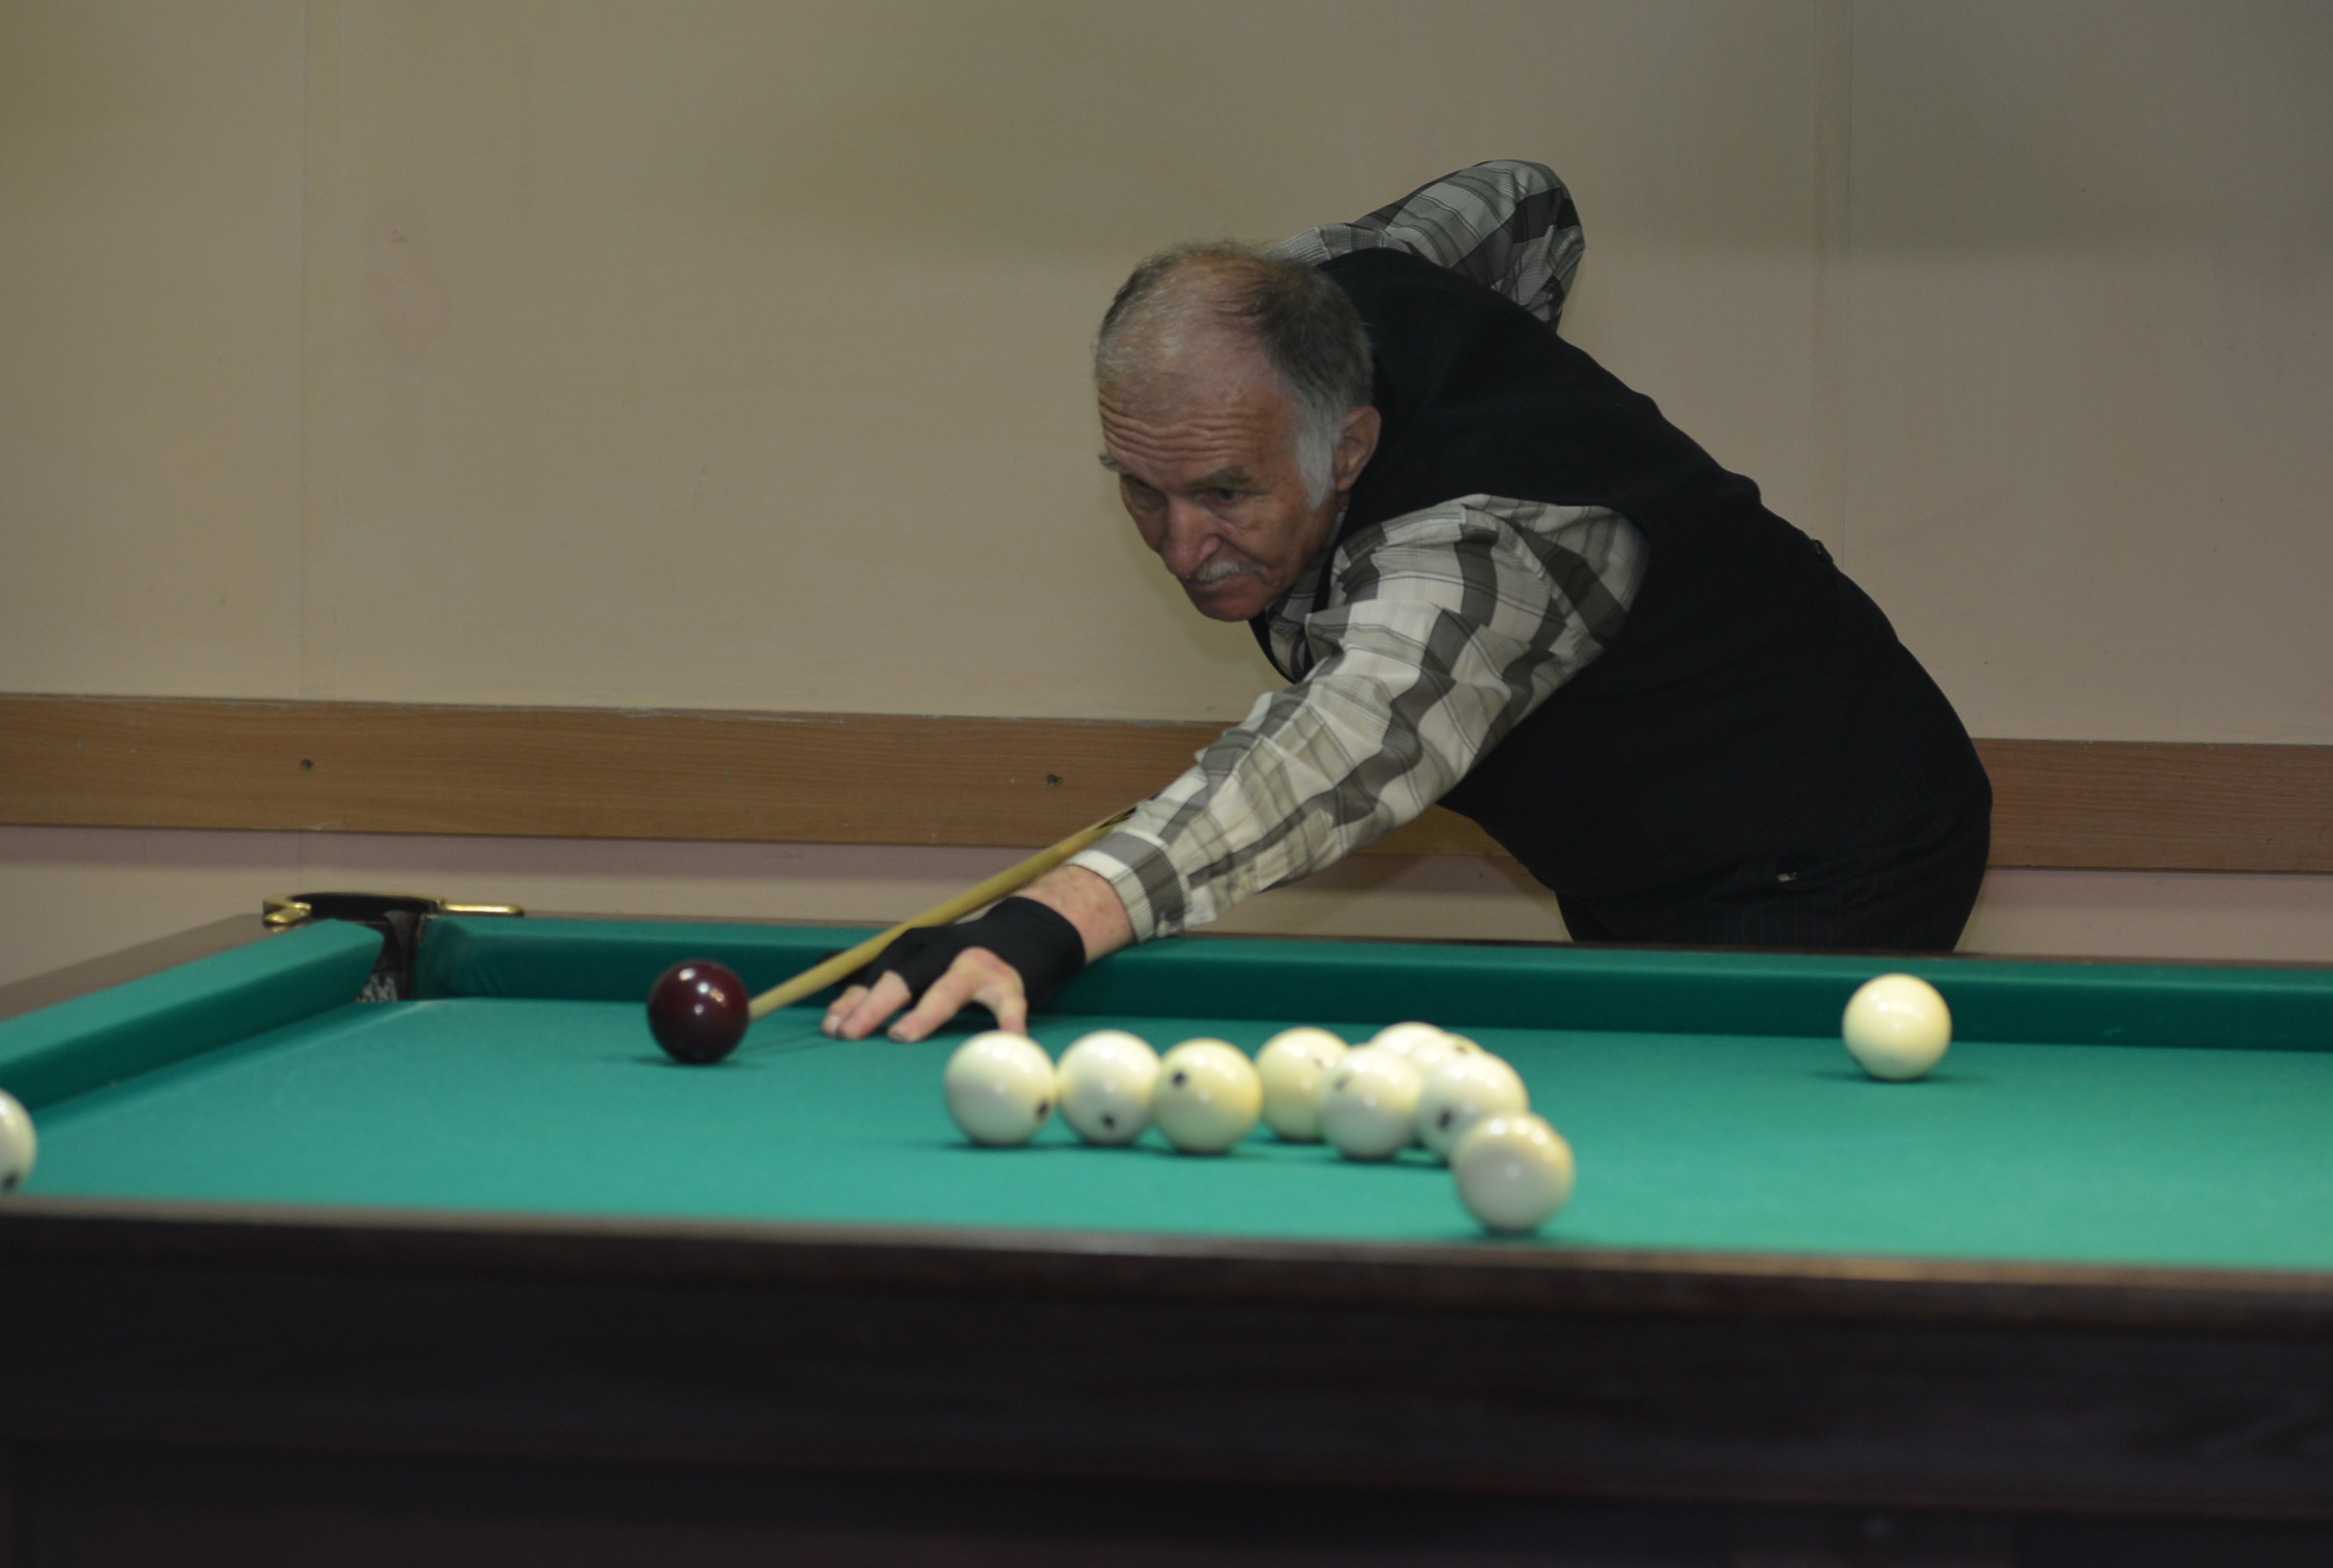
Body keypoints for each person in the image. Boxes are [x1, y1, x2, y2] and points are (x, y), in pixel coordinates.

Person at [823, 161, 1990, 1044]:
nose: (1181, 549)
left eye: (1225, 493)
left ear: (1349, 448)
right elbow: (1526, 201)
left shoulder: (1482, 560)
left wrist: (1054, 918)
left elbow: (1339, 744)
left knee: (1703, 1181)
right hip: (1633, 837)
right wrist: (1504, 366)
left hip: (1823, 848)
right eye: (1141, 489)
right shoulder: (1326, 288)